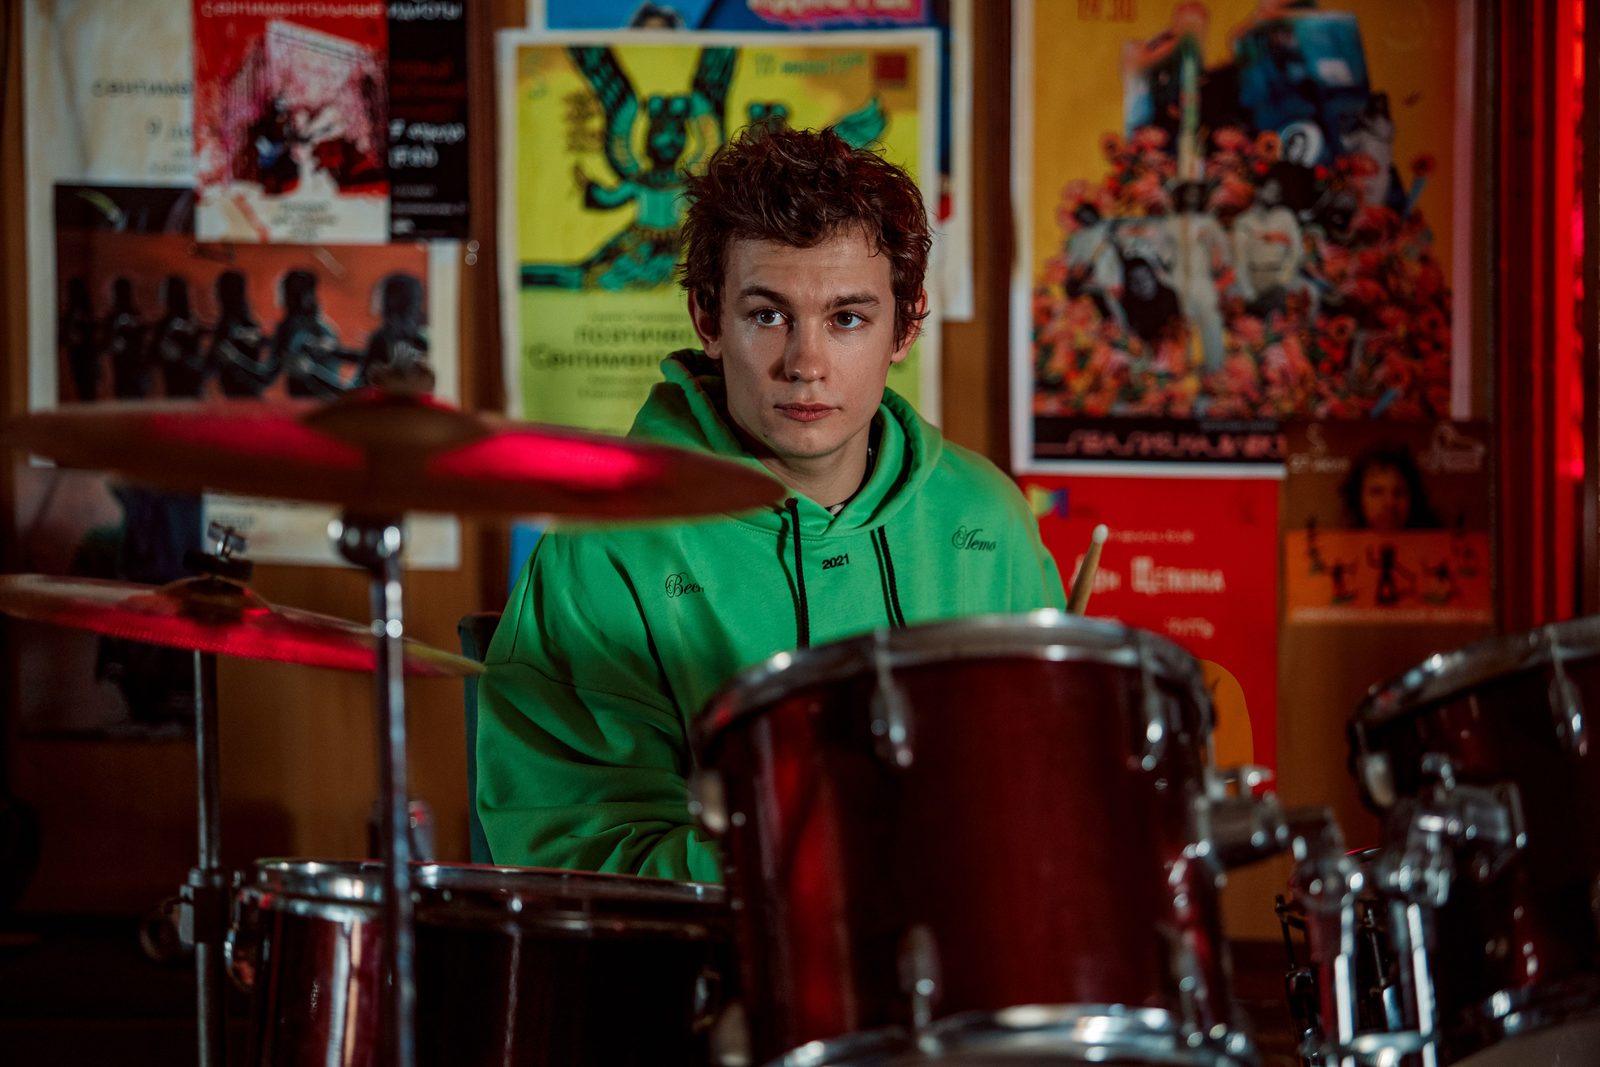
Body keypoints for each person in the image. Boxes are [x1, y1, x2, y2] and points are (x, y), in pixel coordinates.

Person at [476, 126, 1067, 882]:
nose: (805, 364)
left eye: (847, 318)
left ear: (905, 326)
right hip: (716, 953)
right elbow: (578, 858)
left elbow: (1053, 786)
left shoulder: (986, 514)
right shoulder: (607, 542)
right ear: (707, 317)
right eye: (767, 315)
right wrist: (836, 851)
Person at [1340, 444, 1440, 532]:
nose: (1390, 503)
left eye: (1399, 493)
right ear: (1357, 498)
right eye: (1377, 492)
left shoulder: (1438, 544)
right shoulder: (1339, 544)